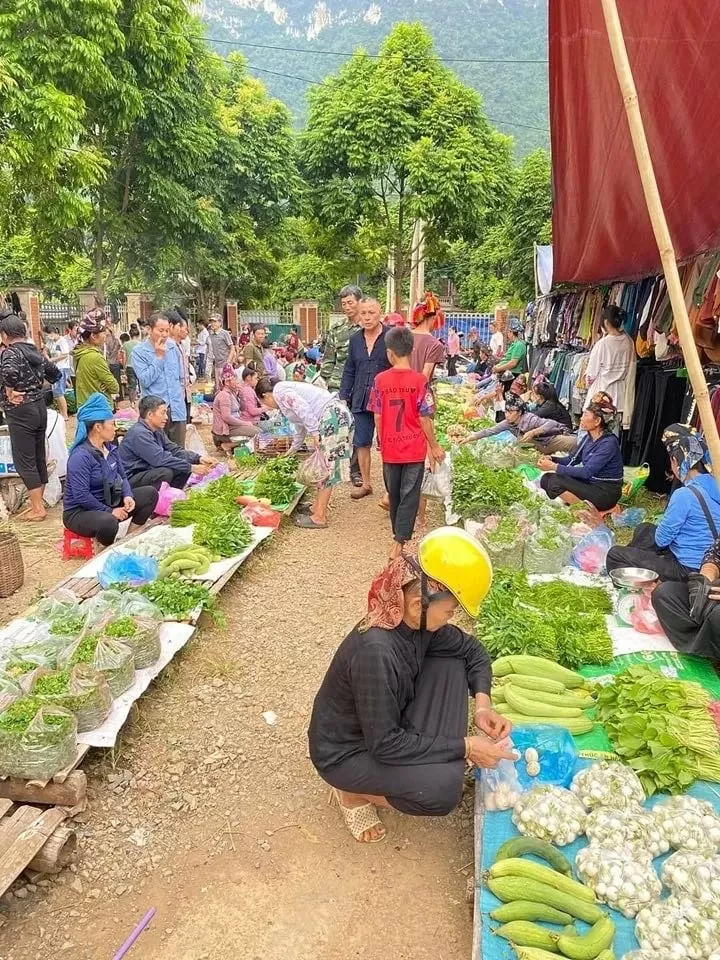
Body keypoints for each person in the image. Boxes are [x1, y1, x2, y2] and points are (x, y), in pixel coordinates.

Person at [308, 528, 511, 842]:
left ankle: (430, 754)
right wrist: (467, 746)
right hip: (348, 752)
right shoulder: (376, 651)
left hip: (384, 725)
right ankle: (351, 791)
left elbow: (473, 651)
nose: (448, 619)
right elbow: (386, 744)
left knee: (453, 661)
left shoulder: (413, 619)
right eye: (449, 612)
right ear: (420, 602)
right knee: (443, 789)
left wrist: (483, 705)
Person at [606, 425, 720, 582]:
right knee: (644, 529)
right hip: (712, 563)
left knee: (615, 554)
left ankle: (636, 585)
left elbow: (662, 540)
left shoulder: (684, 495)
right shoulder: (715, 484)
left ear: (675, 461)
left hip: (688, 569)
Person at [369, 327, 445, 558]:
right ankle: (400, 541)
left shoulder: (380, 380)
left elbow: (378, 415)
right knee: (409, 495)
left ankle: (398, 537)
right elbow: (425, 416)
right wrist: (433, 445)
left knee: (394, 493)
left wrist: (382, 440)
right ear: (411, 350)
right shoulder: (420, 381)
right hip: (413, 448)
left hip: (390, 448)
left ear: (390, 353)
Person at [256, 376, 354, 529]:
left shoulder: (280, 391)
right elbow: (300, 428)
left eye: (263, 402)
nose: (267, 406)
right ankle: (315, 508)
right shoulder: (284, 398)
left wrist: (315, 432)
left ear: (265, 395)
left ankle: (319, 517)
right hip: (333, 416)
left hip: (332, 417)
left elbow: (302, 408)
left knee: (326, 467)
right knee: (324, 464)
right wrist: (291, 451)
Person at [63, 393, 159, 547]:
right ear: (98, 427)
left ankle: (128, 539)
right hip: (80, 511)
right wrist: (109, 511)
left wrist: (127, 495)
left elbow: (123, 476)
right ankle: (107, 548)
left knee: (150, 493)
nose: (115, 428)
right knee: (109, 522)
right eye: (112, 424)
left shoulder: (111, 449)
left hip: (108, 500)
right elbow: (81, 496)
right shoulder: (80, 457)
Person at [0, 311, 62, 521]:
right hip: (39, 407)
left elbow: (9, 373)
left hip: (21, 411)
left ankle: (37, 508)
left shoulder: (11, 353)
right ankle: (36, 502)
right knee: (38, 457)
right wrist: (35, 388)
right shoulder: (34, 350)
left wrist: (10, 391)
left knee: (24, 459)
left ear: (5, 334)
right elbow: (55, 374)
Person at [340, 297, 391, 500]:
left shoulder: (390, 336)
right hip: (360, 398)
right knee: (361, 442)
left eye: (371, 312)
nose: (367, 317)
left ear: (380, 313)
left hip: (386, 400)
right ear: (358, 315)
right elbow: (349, 369)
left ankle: (390, 490)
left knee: (387, 443)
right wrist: (344, 396)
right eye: (363, 313)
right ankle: (366, 484)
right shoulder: (355, 340)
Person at [538, 398, 623, 511]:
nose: (581, 418)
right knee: (546, 479)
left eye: (585, 415)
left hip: (605, 492)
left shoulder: (609, 443)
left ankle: (586, 511)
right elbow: (572, 459)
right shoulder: (588, 438)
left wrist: (554, 467)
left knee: (555, 482)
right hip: (591, 484)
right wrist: (551, 459)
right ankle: (577, 503)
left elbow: (586, 472)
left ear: (597, 421)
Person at [120, 395, 213, 490]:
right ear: (150, 415)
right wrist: (191, 467)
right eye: (163, 413)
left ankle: (173, 495)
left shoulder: (157, 429)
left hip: (147, 470)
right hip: (131, 478)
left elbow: (174, 449)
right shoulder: (139, 433)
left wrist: (199, 458)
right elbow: (159, 459)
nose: (166, 417)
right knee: (165, 472)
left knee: (183, 464)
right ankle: (156, 499)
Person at [322, 284, 363, 485]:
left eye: (350, 302)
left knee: (359, 429)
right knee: (338, 427)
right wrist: (329, 381)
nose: (346, 307)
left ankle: (356, 471)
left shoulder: (367, 327)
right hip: (338, 385)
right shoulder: (337, 330)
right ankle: (333, 468)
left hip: (361, 384)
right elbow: (329, 358)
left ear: (359, 302)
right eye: (343, 303)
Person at [652, 537, 720, 658]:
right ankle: (702, 646)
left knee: (717, 616)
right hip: (715, 591)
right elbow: (714, 555)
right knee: (665, 594)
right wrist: (704, 582)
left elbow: (662, 538)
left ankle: (709, 643)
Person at [131, 311, 187, 446]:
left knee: (178, 452)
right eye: (160, 330)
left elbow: (180, 378)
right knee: (157, 454)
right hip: (155, 412)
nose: (164, 334)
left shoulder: (173, 347)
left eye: (167, 331)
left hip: (176, 409)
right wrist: (159, 357)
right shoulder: (139, 352)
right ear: (149, 329)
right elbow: (145, 380)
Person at [463, 396, 575, 455]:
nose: (507, 415)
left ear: (520, 412)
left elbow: (552, 423)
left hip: (550, 440)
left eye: (510, 412)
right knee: (519, 443)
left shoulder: (530, 419)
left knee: (574, 443)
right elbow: (490, 431)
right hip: (536, 446)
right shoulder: (508, 423)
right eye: (506, 412)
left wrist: (533, 432)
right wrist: (470, 437)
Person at [584, 305, 636, 428]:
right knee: (613, 438)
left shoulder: (602, 344)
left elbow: (590, 376)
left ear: (606, 322)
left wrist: (587, 382)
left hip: (601, 398)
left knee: (594, 437)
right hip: (620, 398)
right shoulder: (629, 342)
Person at [73, 309, 119, 407]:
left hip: (85, 406)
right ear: (93, 335)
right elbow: (114, 387)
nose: (105, 336)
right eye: (103, 333)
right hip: (99, 409)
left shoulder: (79, 354)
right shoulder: (95, 357)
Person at [212, 364, 260, 453]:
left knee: (257, 430)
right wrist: (244, 423)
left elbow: (241, 408)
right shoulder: (224, 395)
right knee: (257, 432)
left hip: (234, 426)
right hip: (226, 430)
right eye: (234, 379)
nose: (236, 381)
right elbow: (226, 417)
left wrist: (241, 395)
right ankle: (227, 444)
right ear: (227, 382)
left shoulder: (232, 393)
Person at [168, 309, 195, 443]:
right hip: (175, 397)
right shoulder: (169, 347)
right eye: (182, 327)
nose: (185, 331)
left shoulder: (181, 346)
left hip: (184, 394)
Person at [410, 292, 446, 381]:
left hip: (398, 391)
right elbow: (424, 377)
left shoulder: (402, 337)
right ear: (434, 318)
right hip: (417, 393)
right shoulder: (435, 345)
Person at [45, 324, 72, 419]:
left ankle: (65, 415)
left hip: (62, 368)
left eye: (49, 334)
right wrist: (47, 357)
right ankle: (61, 413)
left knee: (59, 391)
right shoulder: (50, 341)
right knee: (56, 392)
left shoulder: (62, 341)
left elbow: (65, 354)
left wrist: (53, 359)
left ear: (53, 332)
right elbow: (45, 350)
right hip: (55, 368)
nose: (48, 336)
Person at [207, 315, 236, 388]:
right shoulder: (211, 334)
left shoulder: (225, 333)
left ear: (220, 323)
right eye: (211, 322)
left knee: (226, 385)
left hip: (225, 365)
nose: (212, 324)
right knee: (218, 386)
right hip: (216, 364)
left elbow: (232, 347)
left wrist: (228, 362)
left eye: (215, 321)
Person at [104, 318, 123, 401]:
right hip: (115, 363)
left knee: (109, 383)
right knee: (117, 382)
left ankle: (111, 400)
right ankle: (118, 399)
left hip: (108, 364)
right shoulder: (116, 340)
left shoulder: (104, 342)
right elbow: (120, 348)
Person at [123, 324, 142, 404]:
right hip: (139, 366)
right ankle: (141, 400)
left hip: (129, 366)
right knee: (141, 383)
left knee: (131, 385)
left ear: (130, 335)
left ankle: (132, 402)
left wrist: (124, 367)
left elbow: (124, 356)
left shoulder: (125, 344)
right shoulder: (141, 344)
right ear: (138, 335)